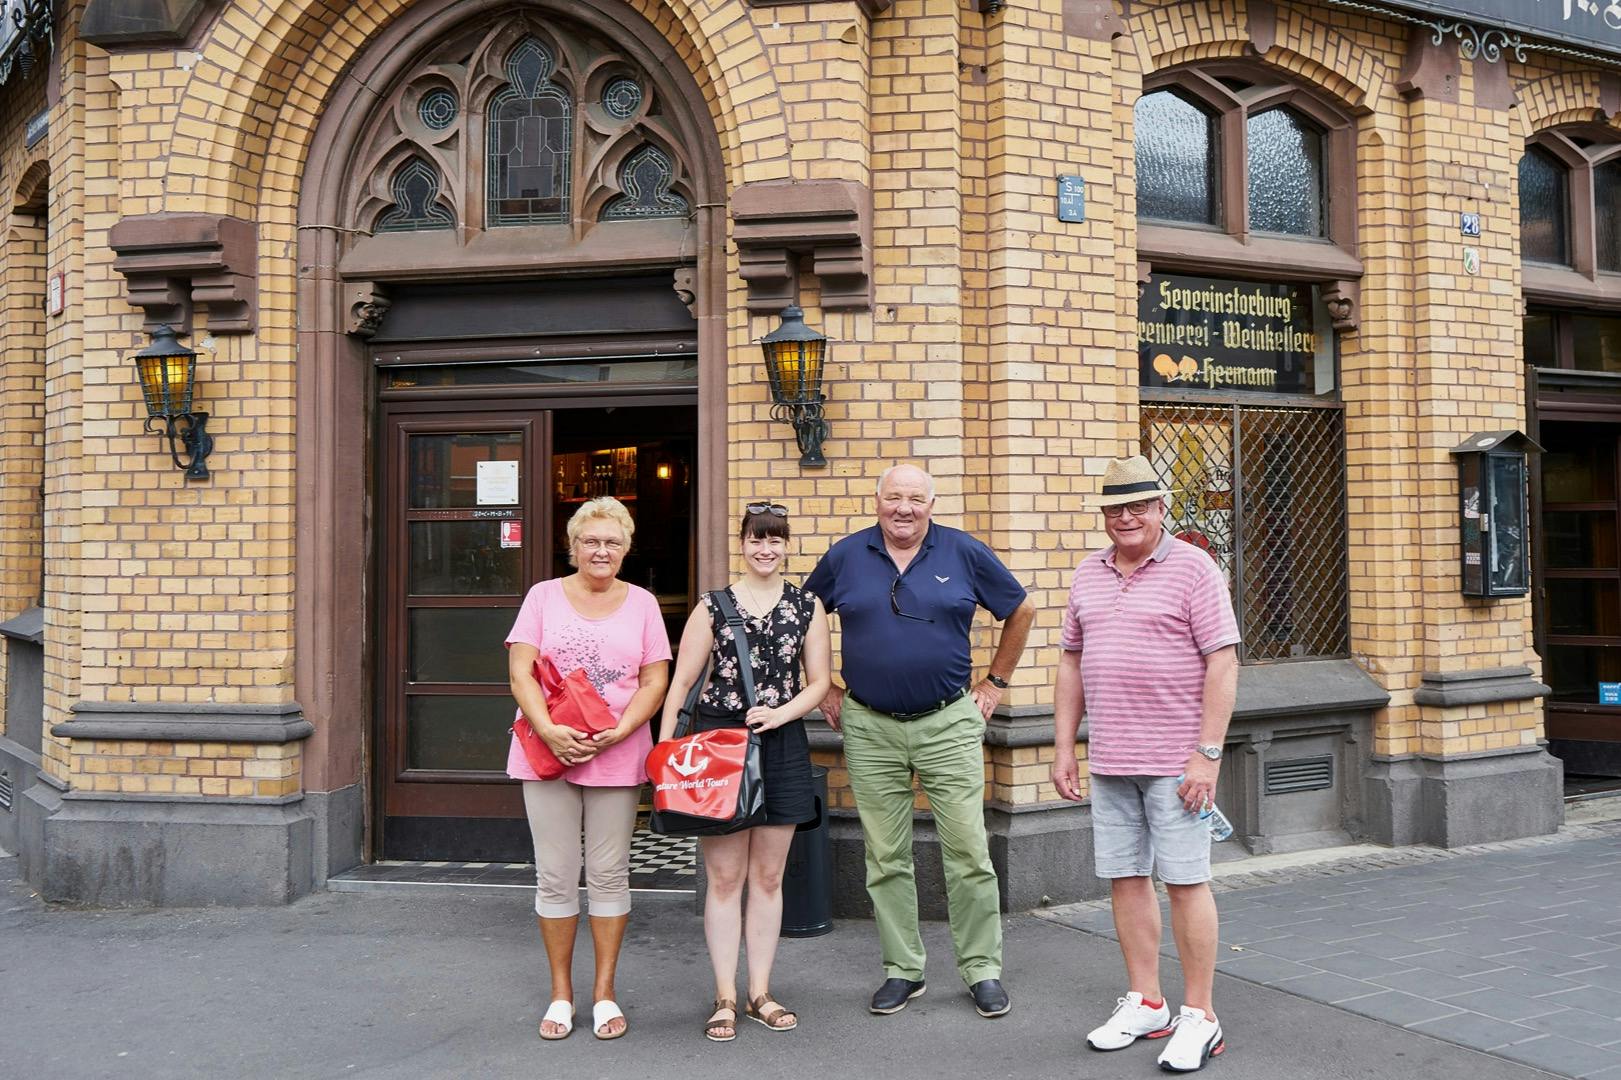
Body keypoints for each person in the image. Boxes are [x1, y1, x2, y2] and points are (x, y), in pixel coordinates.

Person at [805, 464, 1035, 1019]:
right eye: (893, 498)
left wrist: (995, 683)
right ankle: (903, 970)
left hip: (948, 723)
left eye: (915, 499)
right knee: (886, 856)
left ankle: (982, 969)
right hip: (869, 725)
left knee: (969, 853)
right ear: (877, 501)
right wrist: (824, 690)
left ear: (931, 504)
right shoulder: (845, 556)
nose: (903, 509)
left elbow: (1022, 609)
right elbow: (803, 617)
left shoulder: (963, 552)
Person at [1050, 456, 1240, 1074]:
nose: (1125, 517)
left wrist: (1207, 754)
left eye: (1138, 505)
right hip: (1110, 758)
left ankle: (1200, 1016)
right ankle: (1147, 1001)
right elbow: (1071, 664)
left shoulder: (1194, 568)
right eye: (1114, 508)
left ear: (1161, 509)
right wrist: (1062, 747)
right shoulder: (1088, 573)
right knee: (1126, 880)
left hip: (1177, 764)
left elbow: (1223, 662)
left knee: (1185, 884)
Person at [658, 501, 833, 1042]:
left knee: (768, 877)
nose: (766, 548)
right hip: (718, 748)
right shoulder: (713, 606)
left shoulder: (808, 605)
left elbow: (820, 682)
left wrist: (779, 713)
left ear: (787, 545)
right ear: (742, 543)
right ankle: (724, 996)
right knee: (726, 878)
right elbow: (682, 683)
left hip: (780, 744)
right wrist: (665, 752)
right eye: (758, 538)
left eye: (776, 539)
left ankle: (760, 991)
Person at [505, 496, 671, 1042]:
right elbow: (521, 673)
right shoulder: (543, 596)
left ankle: (603, 993)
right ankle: (560, 993)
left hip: (617, 752)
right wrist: (550, 730)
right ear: (573, 546)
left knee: (608, 873)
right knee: (554, 873)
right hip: (546, 749)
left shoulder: (643, 603)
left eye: (612, 542)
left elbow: (654, 682)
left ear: (626, 548)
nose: (601, 551)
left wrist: (623, 732)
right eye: (591, 541)